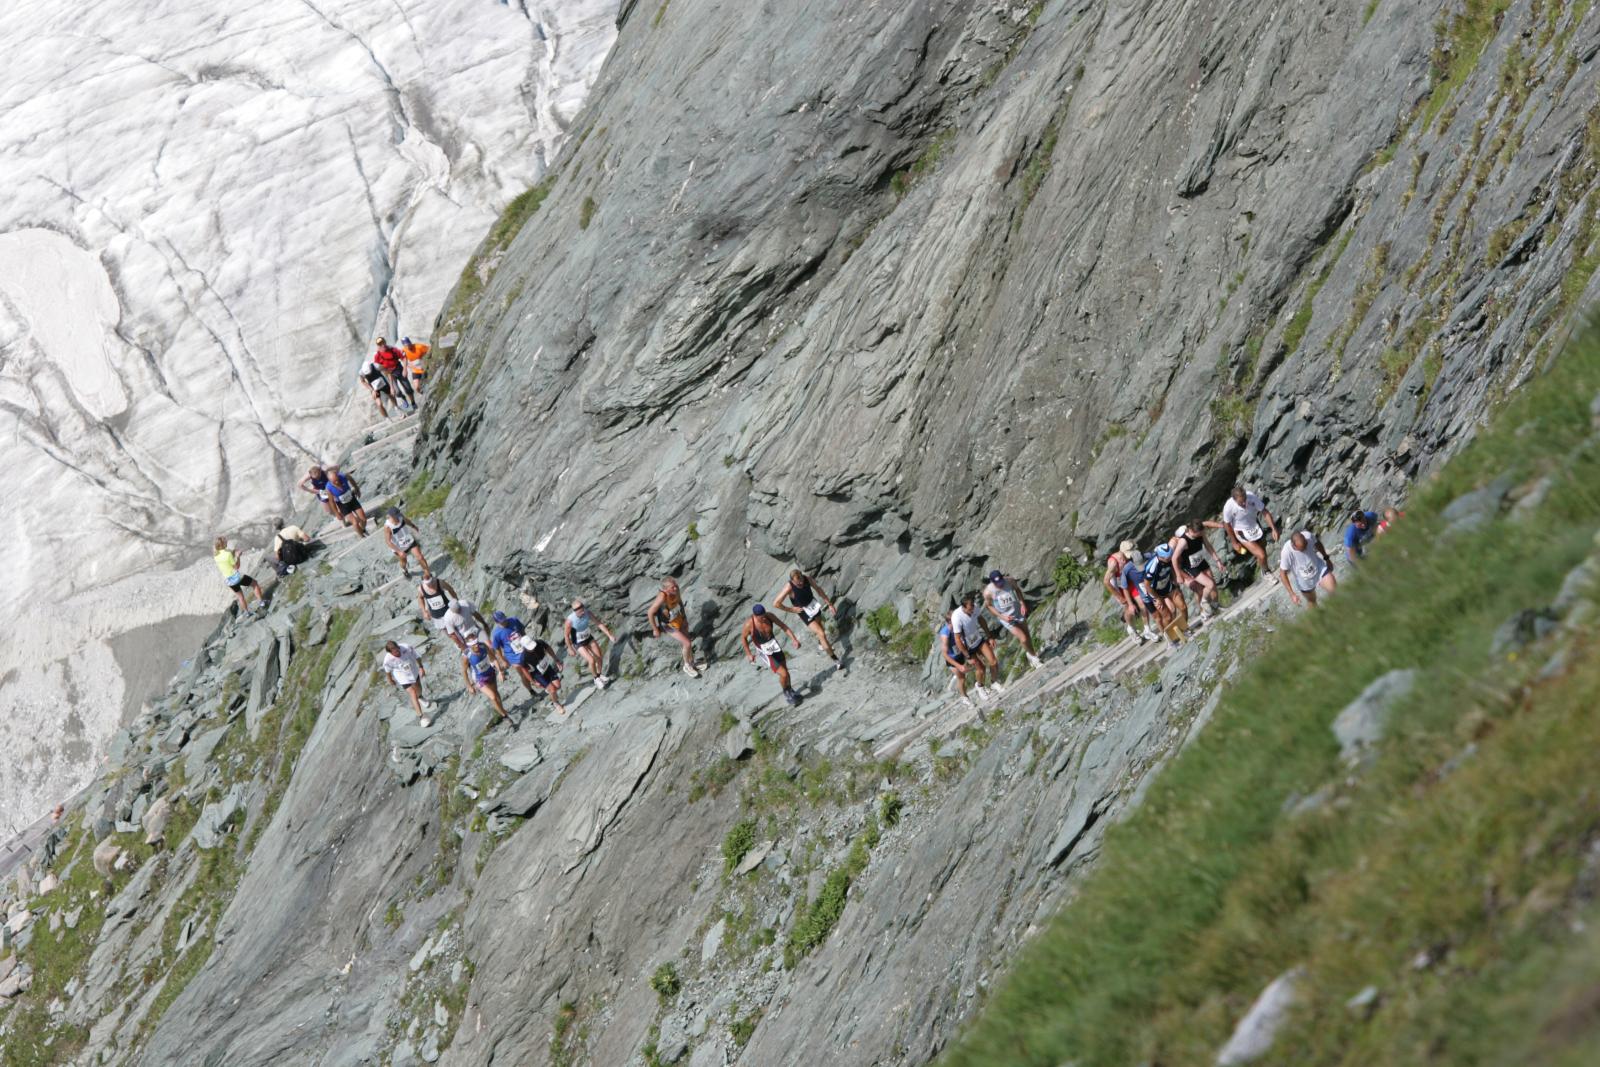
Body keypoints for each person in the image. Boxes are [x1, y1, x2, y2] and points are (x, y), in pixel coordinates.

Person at [773, 569, 843, 672]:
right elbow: (776, 603)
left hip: (813, 605)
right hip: (803, 611)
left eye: (801, 580)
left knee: (820, 625)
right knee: (821, 633)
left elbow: (818, 590)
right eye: (798, 582)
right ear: (792, 581)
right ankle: (836, 660)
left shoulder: (807, 579)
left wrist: (829, 604)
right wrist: (791, 609)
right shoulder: (789, 587)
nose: (801, 583)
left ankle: (821, 644)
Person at [1210, 486, 1279, 577]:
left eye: (1244, 500)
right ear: (1234, 500)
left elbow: (1264, 512)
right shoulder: (1228, 507)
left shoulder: (1251, 497)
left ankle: (1263, 567)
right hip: (1241, 531)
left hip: (1254, 525)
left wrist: (1273, 529)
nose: (1243, 503)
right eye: (1240, 502)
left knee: (1262, 550)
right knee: (1261, 555)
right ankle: (1266, 572)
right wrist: (1234, 543)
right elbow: (1227, 525)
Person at [741, 605, 803, 705]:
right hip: (764, 651)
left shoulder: (769, 616)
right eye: (761, 617)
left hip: (774, 646)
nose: (764, 618)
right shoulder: (749, 624)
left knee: (786, 671)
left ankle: (791, 690)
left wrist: (794, 639)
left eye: (764, 615)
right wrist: (749, 654)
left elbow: (783, 626)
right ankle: (786, 693)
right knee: (783, 673)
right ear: (755, 616)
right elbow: (743, 638)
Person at [982, 570, 1042, 667]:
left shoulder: (1009, 581)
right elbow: (988, 606)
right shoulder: (988, 592)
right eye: (997, 584)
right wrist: (1002, 617)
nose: (1000, 585)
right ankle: (1034, 658)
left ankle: (1030, 654)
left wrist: (1022, 603)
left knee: (1027, 635)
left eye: (1001, 582)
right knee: (1023, 638)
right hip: (1006, 618)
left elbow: (1017, 590)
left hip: (1017, 611)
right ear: (992, 582)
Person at [950, 594, 1003, 695]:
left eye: (973, 606)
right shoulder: (956, 617)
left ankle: (993, 682)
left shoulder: (974, 607)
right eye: (970, 608)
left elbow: (981, 620)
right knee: (981, 668)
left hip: (978, 640)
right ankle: (980, 686)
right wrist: (967, 656)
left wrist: (990, 636)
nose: (973, 609)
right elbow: (957, 640)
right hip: (967, 647)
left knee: (993, 661)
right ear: (963, 607)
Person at [647, 578, 700, 677]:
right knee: (687, 643)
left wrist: (684, 619)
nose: (675, 588)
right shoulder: (662, 597)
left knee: (687, 640)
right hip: (667, 624)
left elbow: (680, 602)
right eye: (672, 587)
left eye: (676, 585)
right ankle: (687, 666)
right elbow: (650, 612)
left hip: (678, 618)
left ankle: (692, 662)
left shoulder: (676, 590)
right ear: (666, 589)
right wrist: (655, 630)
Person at [1170, 524, 1223, 621]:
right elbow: (1174, 562)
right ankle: (1204, 611)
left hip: (1199, 561)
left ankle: (1215, 606)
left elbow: (1204, 524)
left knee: (1211, 584)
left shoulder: (1197, 531)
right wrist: (1179, 576)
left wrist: (1220, 525)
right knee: (1199, 590)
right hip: (1186, 568)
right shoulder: (1176, 544)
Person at [463, 637, 516, 729]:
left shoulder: (483, 646)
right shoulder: (466, 655)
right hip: (479, 679)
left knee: (496, 693)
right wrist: (469, 686)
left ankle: (502, 710)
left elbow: (493, 658)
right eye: (473, 645)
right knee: (493, 696)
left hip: (490, 672)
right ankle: (505, 717)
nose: (476, 646)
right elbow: (463, 671)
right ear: (469, 646)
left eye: (476, 643)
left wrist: (500, 671)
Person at [938, 618, 992, 708]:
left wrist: (971, 655)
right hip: (953, 659)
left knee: (981, 667)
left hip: (963, 653)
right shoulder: (945, 634)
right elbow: (945, 654)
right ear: (949, 623)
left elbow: (966, 640)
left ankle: (980, 686)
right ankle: (965, 698)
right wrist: (959, 666)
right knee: (962, 678)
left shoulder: (959, 627)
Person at [515, 631, 570, 718]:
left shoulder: (539, 642)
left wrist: (556, 659)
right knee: (552, 690)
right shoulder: (523, 657)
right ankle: (556, 704)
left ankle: (550, 691)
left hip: (546, 667)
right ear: (524, 648)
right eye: (529, 648)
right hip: (538, 674)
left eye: (532, 645)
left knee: (558, 685)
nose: (532, 648)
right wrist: (533, 682)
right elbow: (524, 670)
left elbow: (548, 648)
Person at [1278, 530, 1339, 608]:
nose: (1304, 549)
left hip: (1319, 569)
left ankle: (1338, 611)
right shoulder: (1287, 552)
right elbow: (1282, 574)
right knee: (1312, 602)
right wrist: (1292, 594)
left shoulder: (1308, 536)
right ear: (1293, 546)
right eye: (1301, 549)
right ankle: (1316, 618)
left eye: (1305, 546)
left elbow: (1317, 544)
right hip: (1304, 581)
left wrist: (1326, 558)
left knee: (1334, 589)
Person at [381, 641, 436, 726]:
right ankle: (421, 717)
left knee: (418, 688)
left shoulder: (406, 647)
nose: (397, 652)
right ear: (390, 652)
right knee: (412, 693)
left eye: (397, 650)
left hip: (413, 670)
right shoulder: (387, 660)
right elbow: (387, 671)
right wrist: (390, 680)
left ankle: (420, 697)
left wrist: (421, 667)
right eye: (394, 652)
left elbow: (417, 656)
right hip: (402, 676)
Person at [1105, 541, 1152, 639]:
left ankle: (1147, 630)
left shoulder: (1131, 554)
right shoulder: (1113, 562)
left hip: (1130, 581)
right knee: (1129, 609)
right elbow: (1106, 582)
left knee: (1142, 603)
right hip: (1119, 586)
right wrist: (1119, 597)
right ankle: (1132, 629)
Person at [564, 599, 616, 688]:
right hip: (578, 642)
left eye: (583, 607)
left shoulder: (587, 612)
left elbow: (598, 623)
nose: (583, 610)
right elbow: (566, 635)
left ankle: (599, 676)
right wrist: (570, 648)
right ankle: (596, 679)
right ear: (575, 611)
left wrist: (609, 635)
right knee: (591, 660)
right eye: (580, 609)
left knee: (599, 657)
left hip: (588, 637)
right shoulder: (570, 621)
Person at [1142, 545, 1186, 645]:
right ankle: (1171, 639)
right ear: (1161, 557)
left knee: (1182, 607)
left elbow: (1172, 570)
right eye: (1168, 558)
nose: (1170, 558)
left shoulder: (1169, 559)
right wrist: (1157, 598)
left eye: (1171, 556)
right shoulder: (1152, 566)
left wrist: (1175, 583)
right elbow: (1147, 585)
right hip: (1155, 592)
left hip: (1167, 586)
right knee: (1168, 617)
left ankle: (1184, 629)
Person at [214, 536, 264, 614]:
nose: (227, 541)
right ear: (222, 544)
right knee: (254, 584)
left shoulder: (216, 556)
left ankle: (247, 613)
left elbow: (225, 556)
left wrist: (233, 552)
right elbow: (236, 566)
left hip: (229, 581)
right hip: (236, 577)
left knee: (240, 597)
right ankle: (262, 602)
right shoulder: (227, 554)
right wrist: (238, 556)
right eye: (225, 541)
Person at [1120, 549, 1161, 642]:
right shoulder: (1121, 565)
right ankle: (1131, 629)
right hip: (1125, 585)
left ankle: (1147, 630)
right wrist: (1128, 603)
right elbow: (1118, 585)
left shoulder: (1143, 556)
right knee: (1133, 608)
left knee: (1144, 605)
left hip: (1137, 583)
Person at [383, 508, 430, 579]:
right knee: (404, 562)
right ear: (391, 516)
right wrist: (399, 551)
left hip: (409, 540)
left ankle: (427, 573)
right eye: (397, 515)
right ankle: (404, 569)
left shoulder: (400, 516)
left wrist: (413, 526)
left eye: (398, 514)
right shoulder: (388, 526)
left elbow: (407, 521)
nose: (399, 516)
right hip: (399, 547)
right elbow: (388, 542)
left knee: (420, 557)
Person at [372, 338, 416, 412]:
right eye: (380, 344)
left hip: (399, 369)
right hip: (389, 373)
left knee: (408, 388)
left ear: (385, 342)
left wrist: (405, 369)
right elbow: (377, 367)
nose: (382, 345)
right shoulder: (377, 356)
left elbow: (403, 358)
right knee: (396, 392)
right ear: (378, 346)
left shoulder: (393, 350)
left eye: (383, 342)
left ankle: (413, 403)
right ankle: (403, 398)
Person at [325, 467, 368, 537]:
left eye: (337, 480)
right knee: (355, 522)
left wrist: (357, 488)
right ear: (330, 481)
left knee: (363, 519)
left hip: (352, 500)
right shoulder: (328, 488)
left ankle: (362, 530)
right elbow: (332, 502)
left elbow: (351, 479)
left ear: (338, 476)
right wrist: (337, 513)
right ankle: (362, 536)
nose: (337, 482)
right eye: (334, 482)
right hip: (343, 505)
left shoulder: (343, 476)